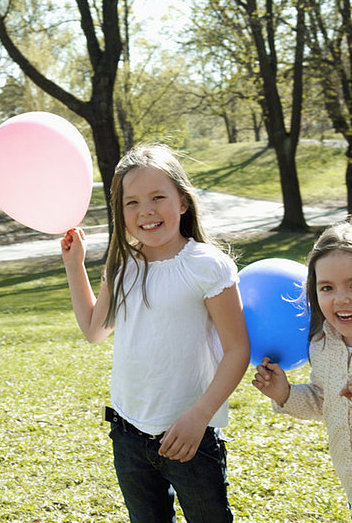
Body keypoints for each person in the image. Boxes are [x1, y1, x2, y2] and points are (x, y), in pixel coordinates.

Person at [61, 144, 250, 523]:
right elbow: (95, 330)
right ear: (121, 213)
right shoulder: (123, 266)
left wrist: (199, 418)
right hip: (129, 434)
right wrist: (74, 265)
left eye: (157, 197)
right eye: (132, 202)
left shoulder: (206, 266)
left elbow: (237, 350)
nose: (145, 210)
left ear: (182, 201)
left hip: (190, 437)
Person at [252, 221, 352, 517]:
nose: (341, 298)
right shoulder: (323, 344)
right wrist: (285, 393)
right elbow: (324, 400)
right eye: (327, 288)